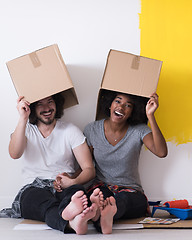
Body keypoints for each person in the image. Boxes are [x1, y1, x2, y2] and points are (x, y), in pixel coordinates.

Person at [1, 94, 99, 235]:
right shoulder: (25, 130)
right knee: (40, 203)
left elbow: (89, 169)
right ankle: (71, 221)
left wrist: (73, 181)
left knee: (77, 193)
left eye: (50, 102)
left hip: (63, 186)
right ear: (32, 108)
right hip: (33, 188)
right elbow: (14, 154)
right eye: (40, 104)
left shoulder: (70, 130)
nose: (46, 108)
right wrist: (23, 118)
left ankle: (73, 219)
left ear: (57, 104)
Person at [84, 90, 167, 234]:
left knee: (123, 201)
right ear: (110, 104)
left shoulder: (139, 130)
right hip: (102, 186)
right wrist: (70, 179)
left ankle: (104, 212)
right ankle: (103, 214)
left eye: (128, 105)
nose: (121, 107)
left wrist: (150, 116)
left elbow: (161, 152)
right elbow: (86, 165)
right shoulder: (92, 129)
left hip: (130, 191)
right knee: (100, 197)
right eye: (118, 101)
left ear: (132, 112)